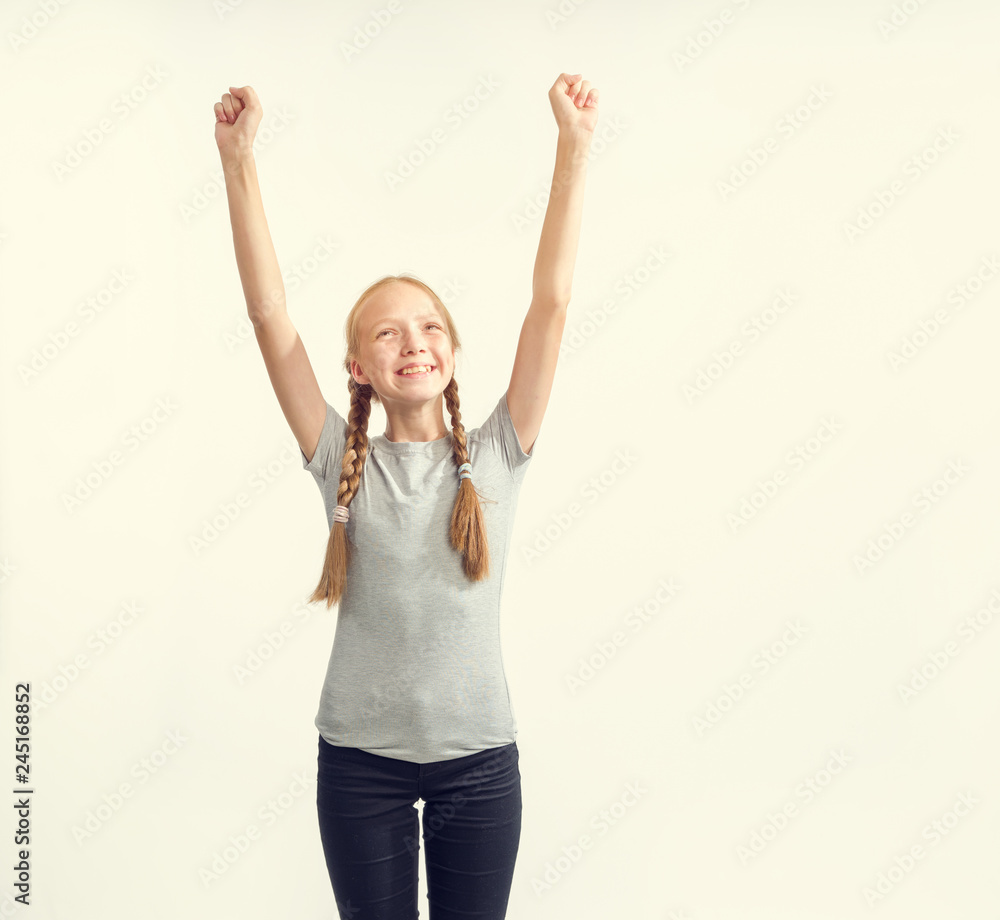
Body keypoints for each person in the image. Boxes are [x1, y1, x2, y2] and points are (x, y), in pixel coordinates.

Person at [214, 72, 598, 920]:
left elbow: (553, 302)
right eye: (386, 332)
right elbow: (269, 314)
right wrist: (239, 163)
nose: (412, 342)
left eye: (428, 327)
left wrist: (572, 151)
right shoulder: (338, 457)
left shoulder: (500, 451)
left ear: (454, 353)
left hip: (480, 764)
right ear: (359, 368)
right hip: (360, 766)